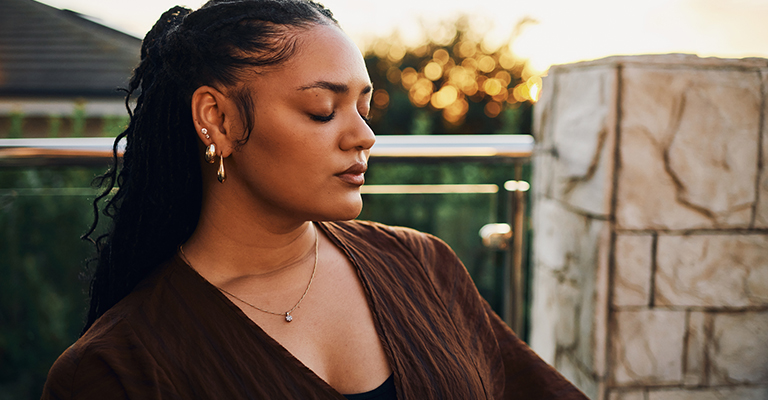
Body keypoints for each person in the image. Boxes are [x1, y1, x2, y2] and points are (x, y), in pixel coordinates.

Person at [41, 1, 588, 399]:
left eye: (364, 108)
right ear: (219, 119)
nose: (364, 136)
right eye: (323, 110)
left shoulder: (422, 265)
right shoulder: (121, 368)